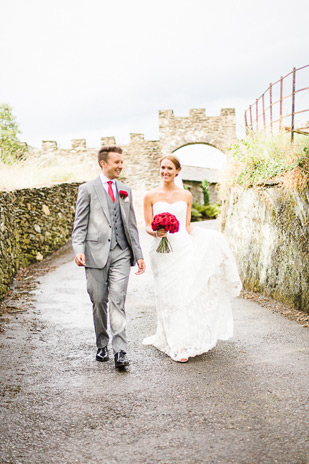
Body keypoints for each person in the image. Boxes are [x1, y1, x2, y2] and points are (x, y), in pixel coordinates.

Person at [143, 154, 242, 363]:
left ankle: (179, 344)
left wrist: (212, 237)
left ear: (177, 171)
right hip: (161, 253)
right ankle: (166, 336)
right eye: (162, 168)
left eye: (169, 168)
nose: (165, 172)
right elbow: (147, 225)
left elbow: (187, 227)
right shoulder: (150, 195)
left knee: (181, 295)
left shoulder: (186, 195)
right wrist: (156, 232)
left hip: (182, 249)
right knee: (166, 295)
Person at [72, 146, 146, 369]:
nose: (121, 166)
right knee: (98, 300)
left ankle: (120, 350)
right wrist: (78, 250)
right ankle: (102, 343)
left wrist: (138, 254)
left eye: (122, 162)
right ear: (103, 164)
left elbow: (131, 225)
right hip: (95, 253)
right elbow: (80, 224)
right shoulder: (87, 189)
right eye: (117, 162)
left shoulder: (125, 190)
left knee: (117, 299)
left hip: (121, 252)